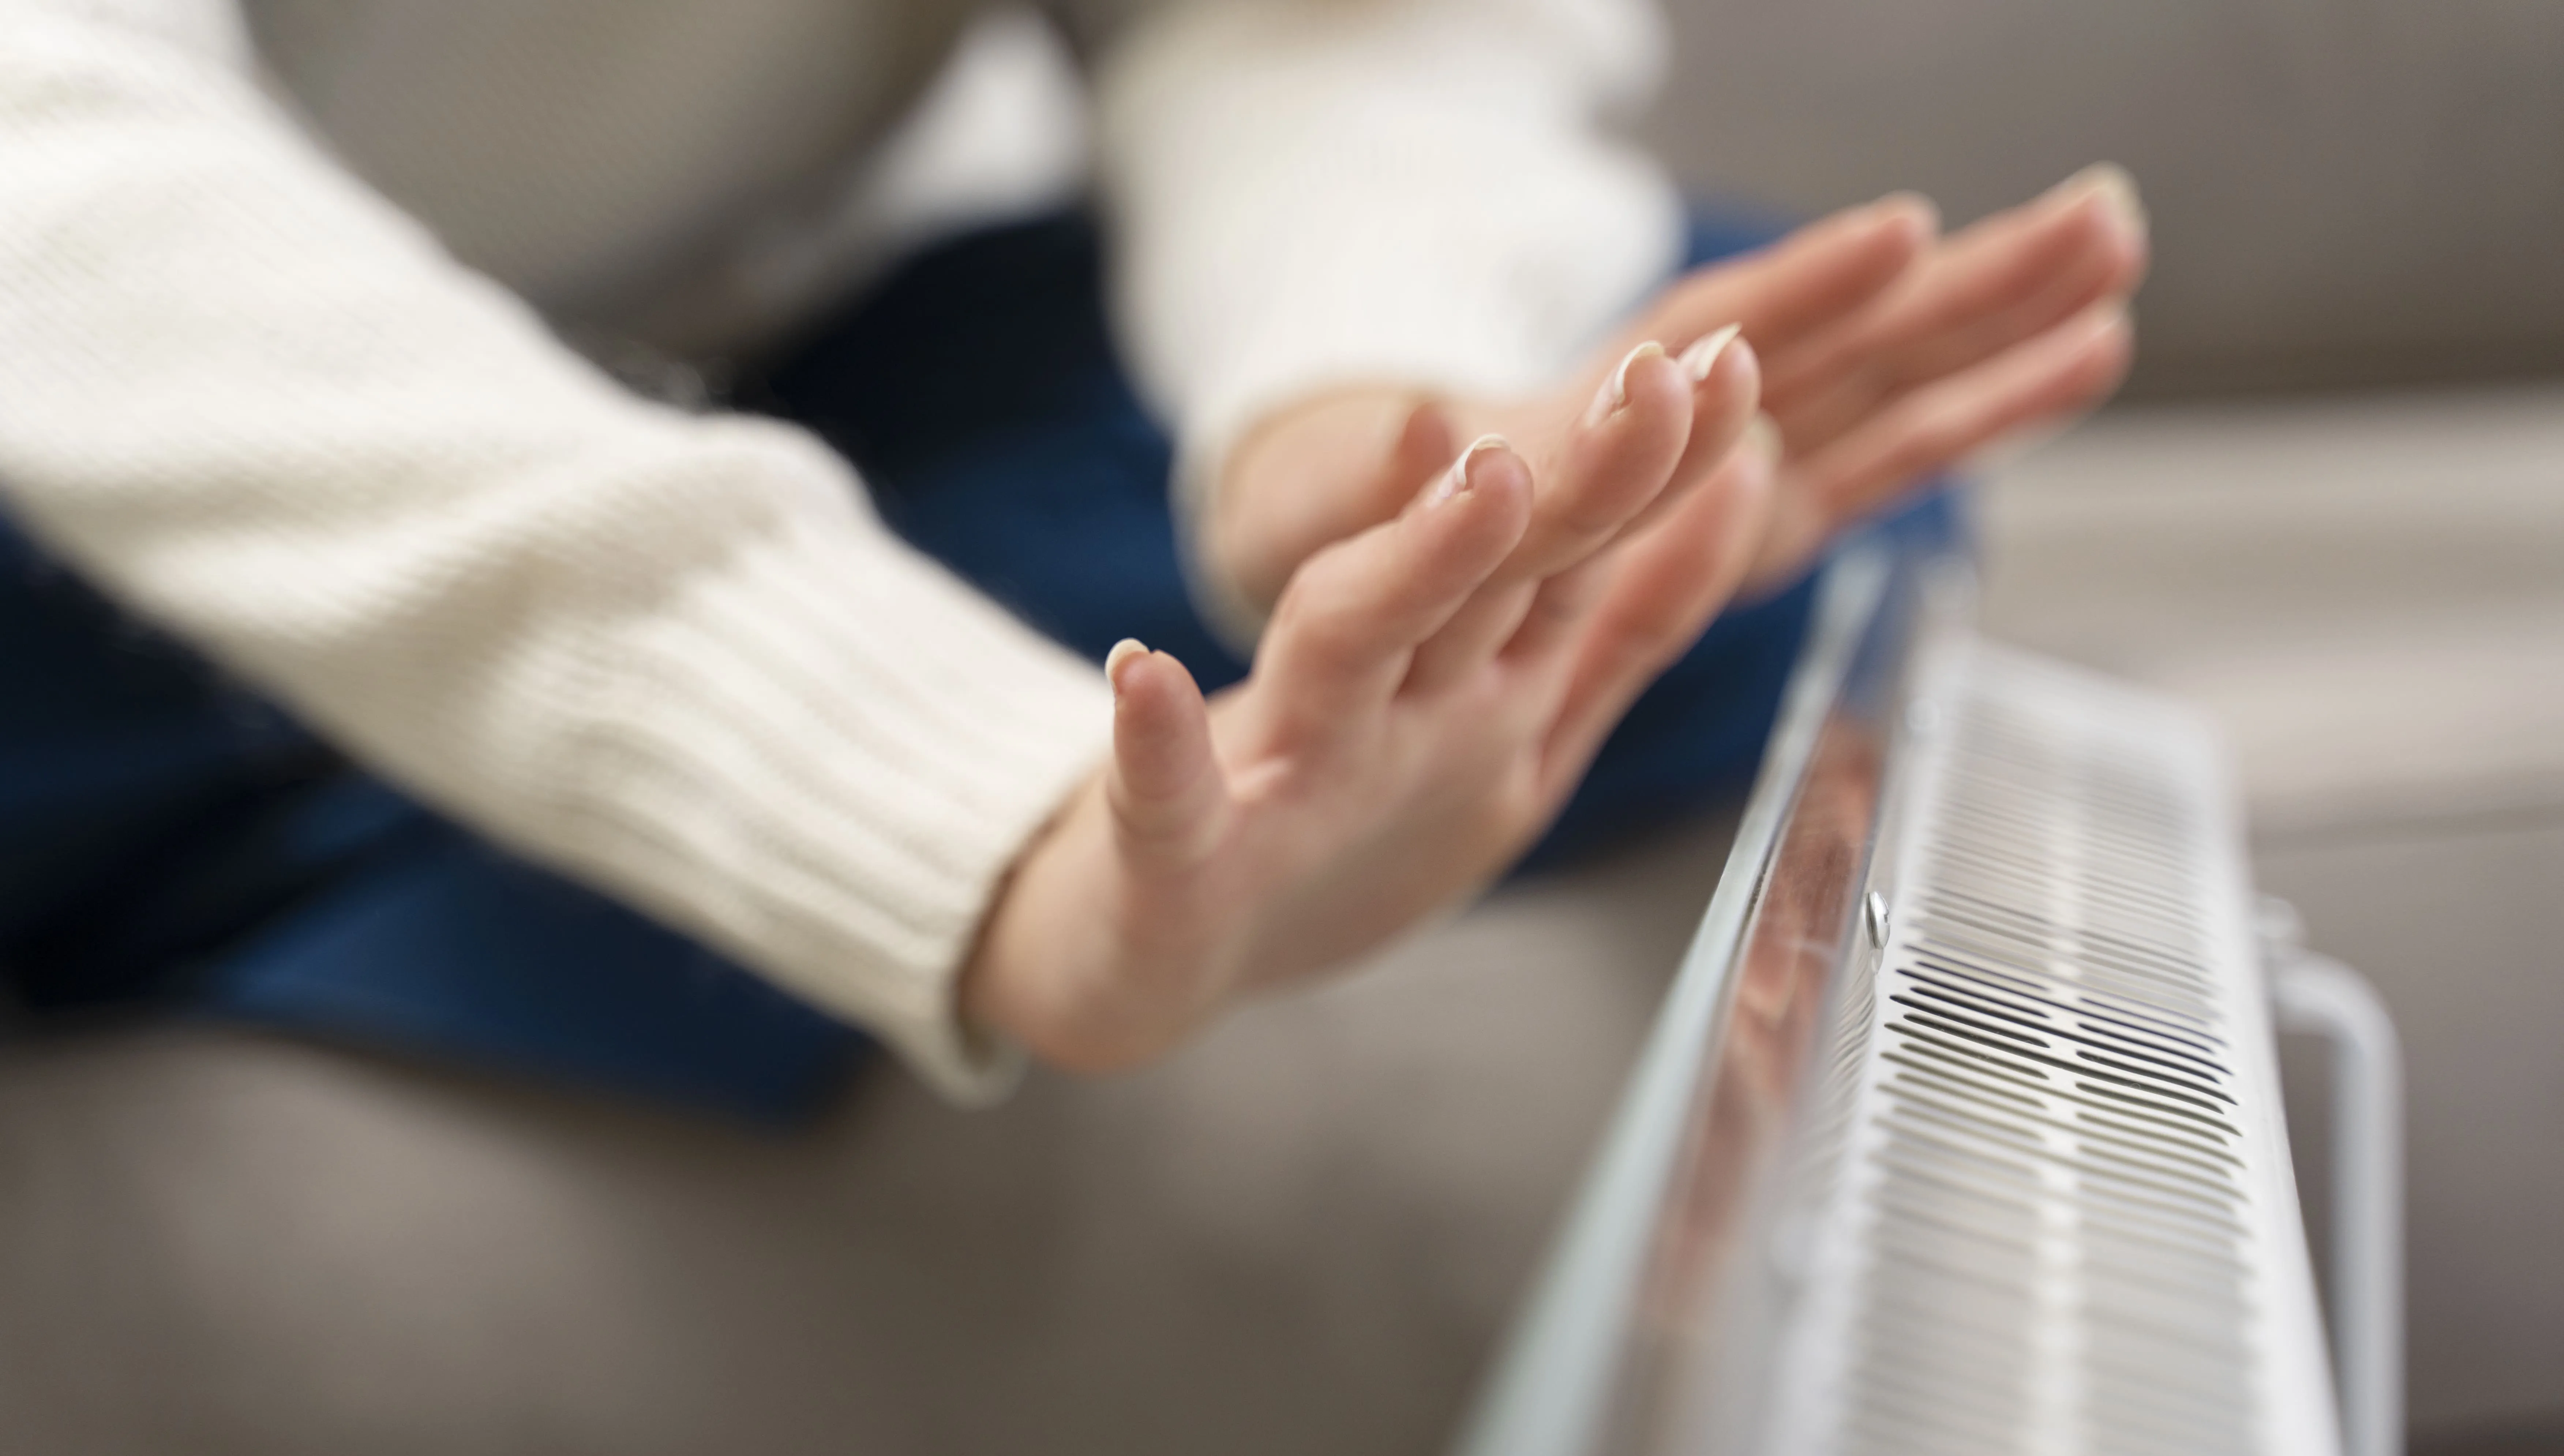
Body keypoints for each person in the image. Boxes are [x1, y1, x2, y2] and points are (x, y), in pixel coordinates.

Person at [0, 0, 2143, 1116]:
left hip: (728, 349)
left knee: (1725, 425)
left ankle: (465, 769)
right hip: (66, 438)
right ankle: (629, 776)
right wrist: (981, 826)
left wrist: (1348, 407)